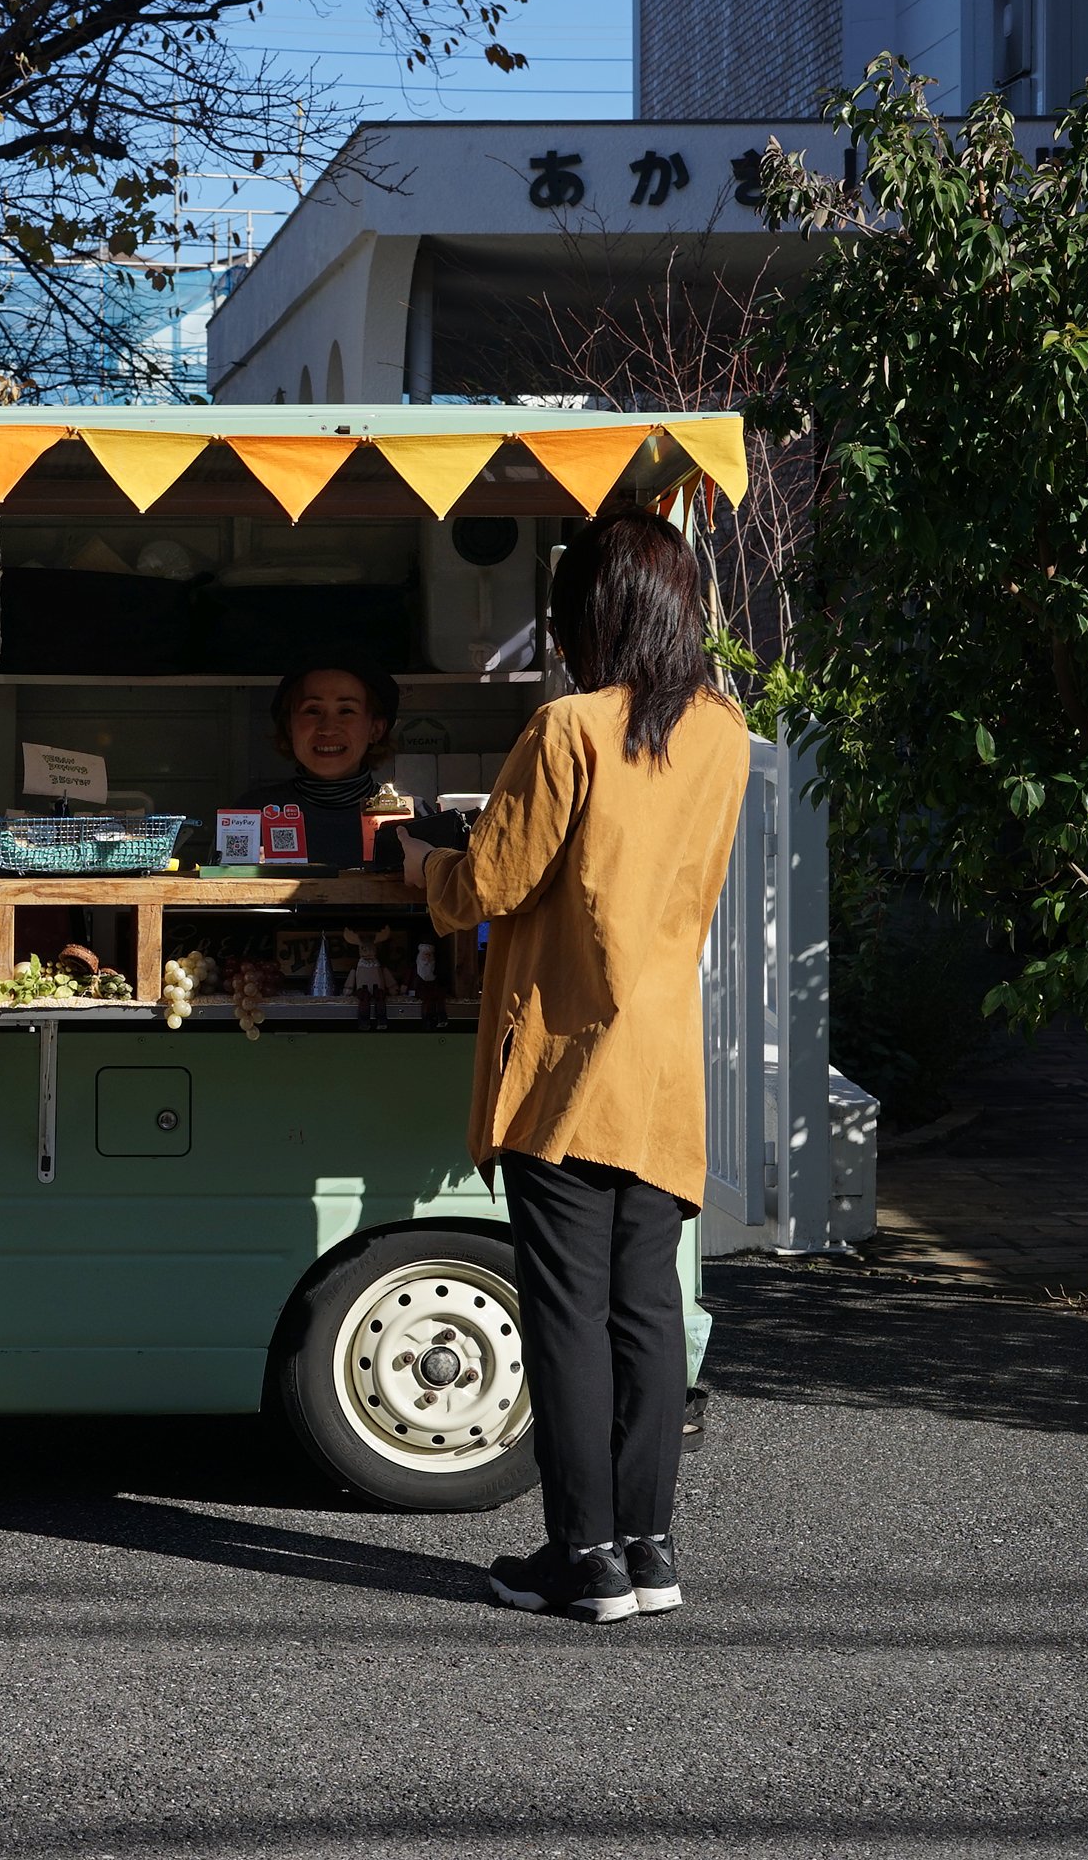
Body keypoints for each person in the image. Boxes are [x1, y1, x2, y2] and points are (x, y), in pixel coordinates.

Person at [399, 514, 749, 1624]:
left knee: (563, 1311)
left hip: (563, 1058)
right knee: (644, 1308)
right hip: (659, 1059)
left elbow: (487, 885)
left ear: (587, 614)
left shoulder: (566, 730)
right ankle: (647, 1550)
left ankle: (581, 1557)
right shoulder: (721, 732)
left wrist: (418, 863)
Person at [233, 662, 401, 869]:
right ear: (289, 727)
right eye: (312, 710)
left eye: (346, 711)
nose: (328, 729)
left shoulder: (411, 816)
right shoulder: (248, 816)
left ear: (376, 729)